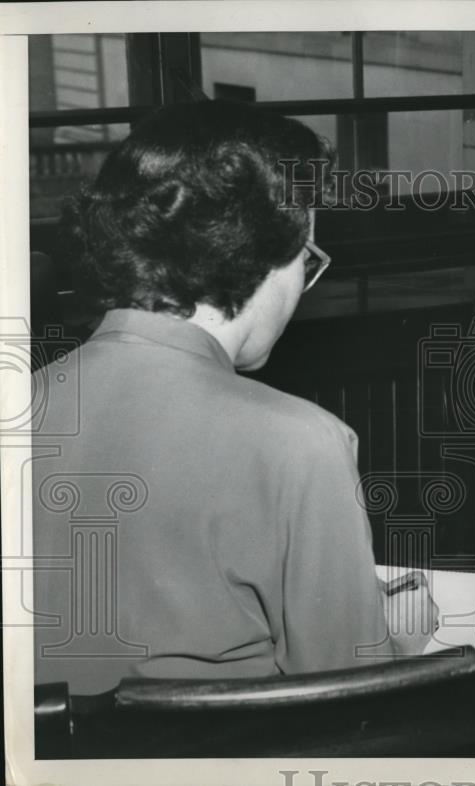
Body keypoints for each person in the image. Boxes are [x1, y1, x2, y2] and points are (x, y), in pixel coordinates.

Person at [32, 100, 435, 696]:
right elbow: (351, 697)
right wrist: (402, 639)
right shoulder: (301, 444)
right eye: (306, 259)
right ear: (265, 257)